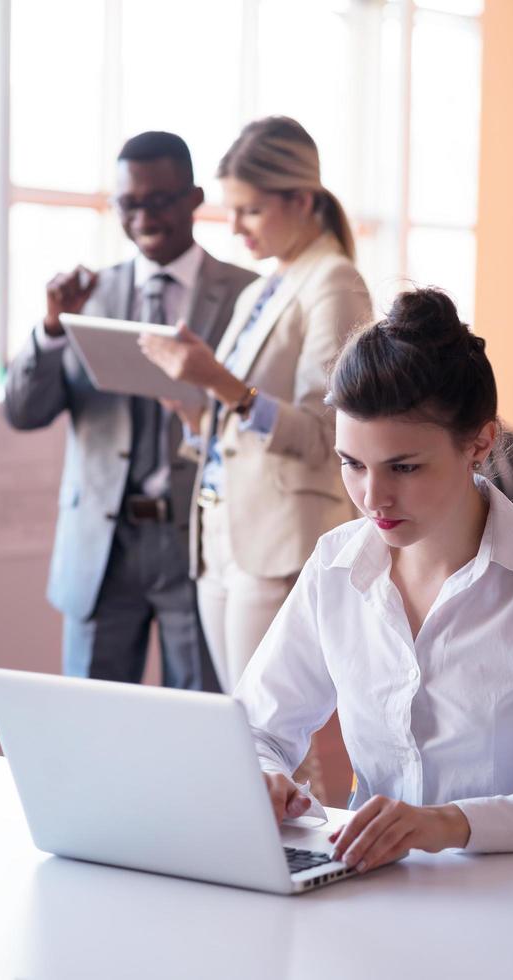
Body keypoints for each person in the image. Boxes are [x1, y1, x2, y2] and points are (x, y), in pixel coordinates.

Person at [233, 287, 513, 870]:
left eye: (403, 467)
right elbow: (256, 730)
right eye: (352, 464)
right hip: (374, 885)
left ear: (479, 442)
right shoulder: (336, 564)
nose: (372, 498)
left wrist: (446, 825)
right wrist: (265, 776)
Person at [4, 131, 256, 686]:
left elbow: (260, 414)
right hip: (101, 545)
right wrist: (50, 330)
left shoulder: (247, 294)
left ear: (193, 199)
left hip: (196, 540)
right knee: (88, 724)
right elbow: (23, 412)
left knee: (198, 724)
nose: (144, 216)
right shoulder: (85, 295)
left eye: (159, 200)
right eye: (129, 203)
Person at [140, 116, 372, 694]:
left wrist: (219, 382)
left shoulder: (333, 281)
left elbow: (324, 435)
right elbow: (242, 421)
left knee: (269, 735)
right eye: (231, 209)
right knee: (239, 727)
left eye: (249, 210)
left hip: (276, 538)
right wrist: (195, 412)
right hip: (220, 531)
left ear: (301, 199)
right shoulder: (262, 287)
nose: (235, 227)